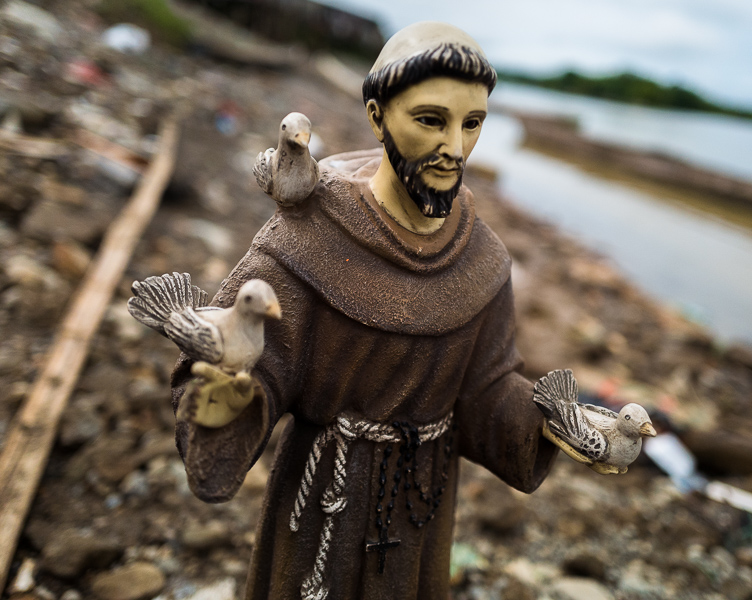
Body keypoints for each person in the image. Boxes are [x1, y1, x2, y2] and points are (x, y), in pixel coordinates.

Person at [172, 22, 561, 600]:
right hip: (322, 505)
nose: (455, 148)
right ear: (377, 116)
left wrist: (555, 420)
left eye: (472, 123)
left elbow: (486, 390)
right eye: (431, 120)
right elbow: (244, 359)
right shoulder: (306, 235)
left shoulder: (484, 260)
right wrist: (228, 397)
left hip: (419, 508)